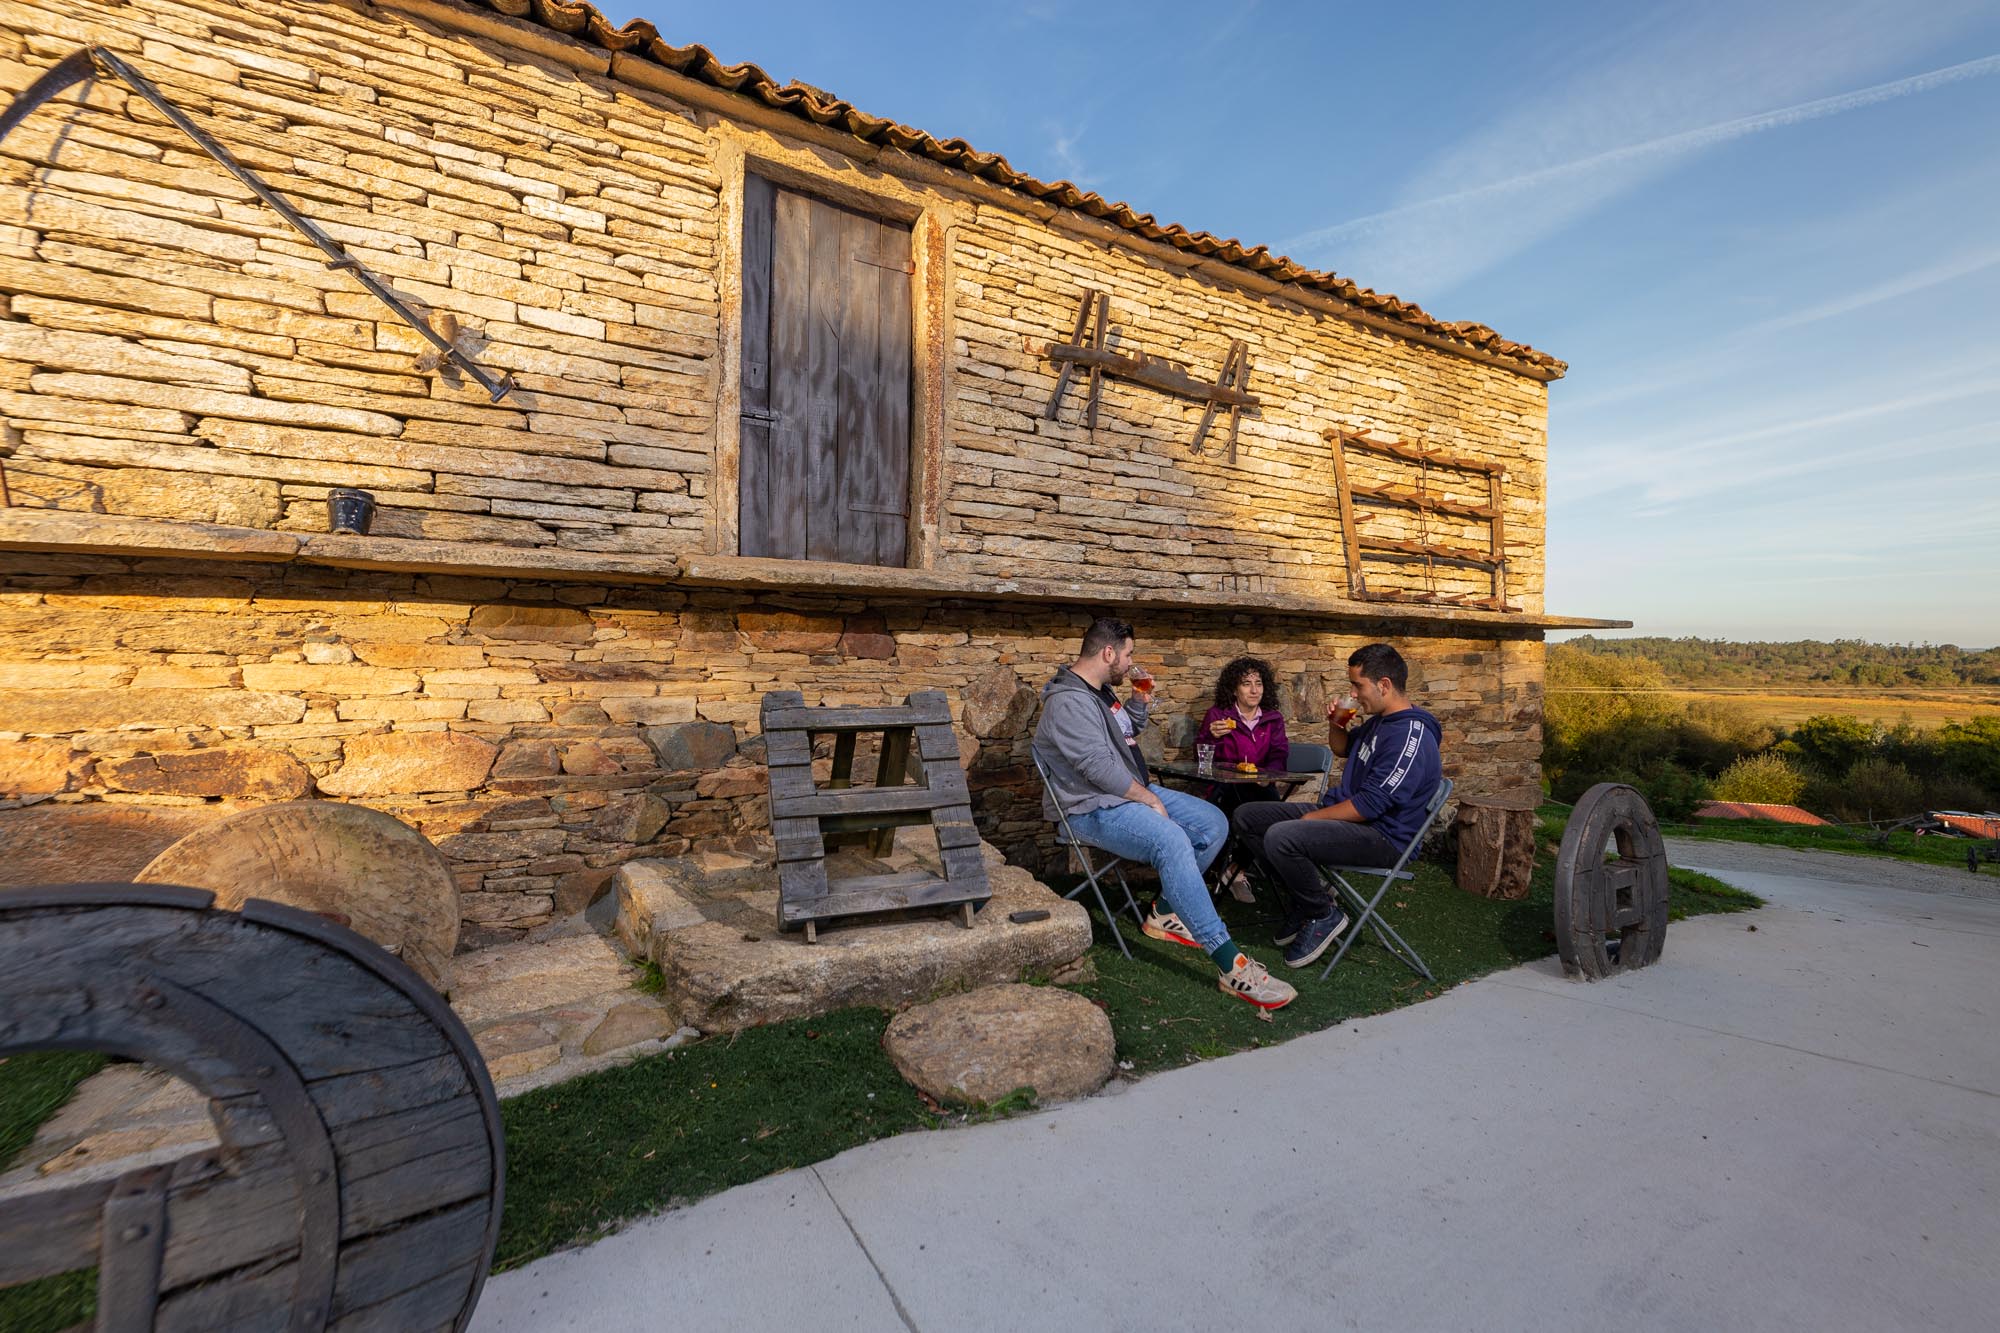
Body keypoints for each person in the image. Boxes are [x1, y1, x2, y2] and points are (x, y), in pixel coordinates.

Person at [1033, 617, 1297, 1010]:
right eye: (1128, 655)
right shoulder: (1069, 701)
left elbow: (1126, 735)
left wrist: (1139, 703)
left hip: (1128, 791)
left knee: (1213, 822)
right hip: (1091, 806)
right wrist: (1147, 798)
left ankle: (1165, 911)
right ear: (1108, 652)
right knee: (1172, 838)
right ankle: (1232, 965)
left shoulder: (1102, 692)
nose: (1131, 662)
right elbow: (1096, 767)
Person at [1231, 642, 1443, 969]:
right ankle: (1307, 898)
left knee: (1281, 836)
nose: (1354, 694)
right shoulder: (1380, 721)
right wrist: (1336, 725)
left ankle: (1321, 912)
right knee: (1248, 817)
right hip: (1351, 818)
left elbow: (1371, 805)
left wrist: (1312, 818)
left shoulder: (1410, 736)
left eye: (1358, 685)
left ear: (1384, 685)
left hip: (1382, 836)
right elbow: (1343, 749)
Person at [1197, 655, 1290, 812]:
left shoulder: (1273, 718)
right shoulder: (1218, 715)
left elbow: (1279, 753)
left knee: (1274, 812)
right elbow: (1201, 758)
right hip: (1226, 786)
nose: (1254, 690)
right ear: (1234, 689)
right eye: (1246, 684)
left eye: (1258, 684)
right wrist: (1212, 737)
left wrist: (1268, 777)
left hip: (1261, 785)